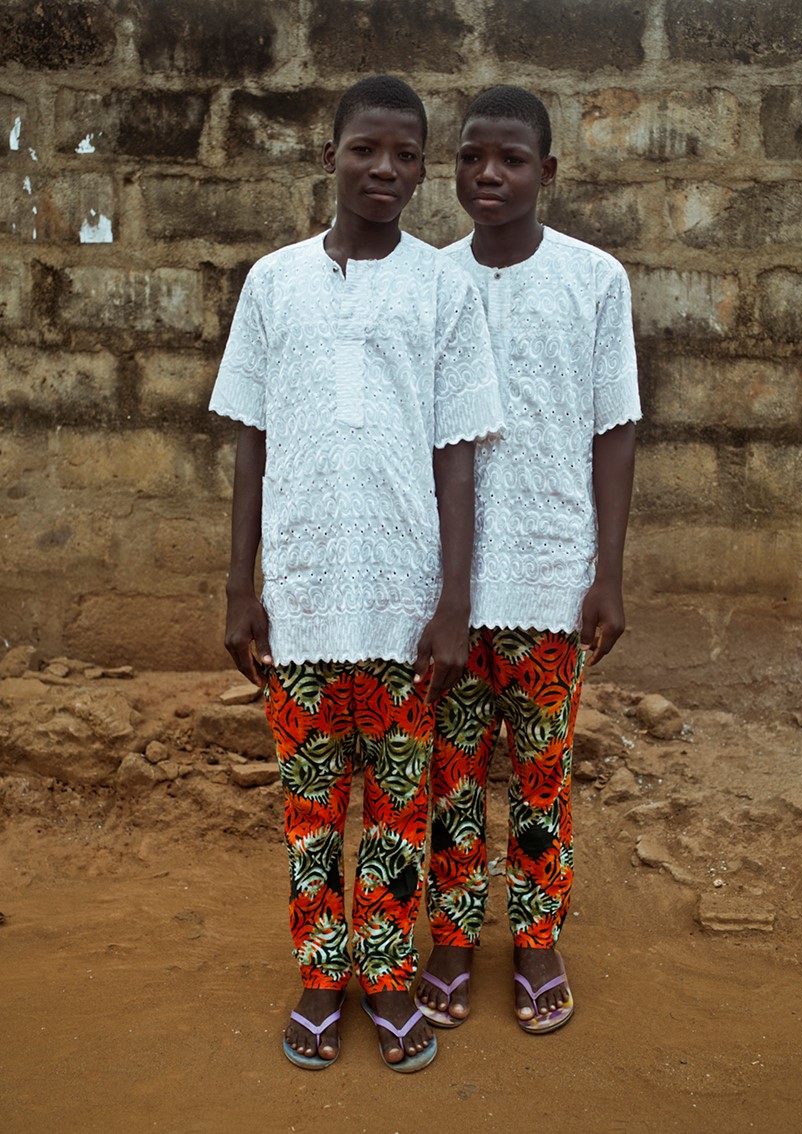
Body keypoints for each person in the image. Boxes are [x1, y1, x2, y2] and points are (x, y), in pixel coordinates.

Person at [209, 75, 503, 1072]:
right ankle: (318, 974)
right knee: (308, 810)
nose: (385, 168)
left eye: (405, 155)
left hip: (401, 605)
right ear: (327, 154)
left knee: (397, 807)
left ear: (422, 170)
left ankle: (384, 976)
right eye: (365, 149)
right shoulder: (273, 283)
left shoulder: (444, 289)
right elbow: (250, 442)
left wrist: (454, 602)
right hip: (297, 598)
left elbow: (457, 456)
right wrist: (240, 588)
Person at [416, 86, 641, 1034]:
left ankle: (537, 937)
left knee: (542, 771)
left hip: (550, 575)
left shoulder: (594, 280)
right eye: (471, 157)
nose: (488, 175)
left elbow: (613, 429)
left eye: (510, 159)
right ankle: (453, 936)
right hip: (443, 588)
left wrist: (607, 573)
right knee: (451, 770)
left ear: (546, 171)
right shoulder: (427, 279)